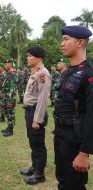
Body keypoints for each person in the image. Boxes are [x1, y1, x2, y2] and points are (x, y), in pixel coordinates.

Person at [54, 25, 93, 190]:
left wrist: (84, 153)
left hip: (75, 140)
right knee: (63, 181)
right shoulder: (68, 72)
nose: (62, 43)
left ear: (80, 42)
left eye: (66, 39)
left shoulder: (88, 74)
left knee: (74, 185)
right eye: (62, 39)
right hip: (62, 135)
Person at [20, 46, 51, 185]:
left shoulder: (43, 73)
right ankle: (34, 167)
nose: (27, 58)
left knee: (38, 143)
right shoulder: (35, 72)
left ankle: (40, 174)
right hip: (29, 111)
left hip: (35, 112)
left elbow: (43, 99)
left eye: (30, 56)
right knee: (33, 141)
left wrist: (37, 120)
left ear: (38, 58)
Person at [1, 60, 18, 137]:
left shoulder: (13, 74)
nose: (5, 65)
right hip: (5, 97)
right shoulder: (7, 74)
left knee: (11, 113)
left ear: (10, 65)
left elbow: (13, 88)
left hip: (10, 98)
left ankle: (11, 130)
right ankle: (8, 126)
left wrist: (11, 100)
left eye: (6, 64)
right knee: (7, 113)